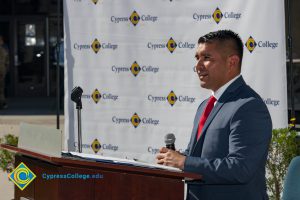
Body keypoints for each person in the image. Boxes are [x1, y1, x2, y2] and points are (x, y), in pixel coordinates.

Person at [156, 30, 272, 200]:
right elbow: (198, 156)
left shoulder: (249, 106)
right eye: (197, 58)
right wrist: (174, 159)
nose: (198, 66)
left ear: (232, 62)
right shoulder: (205, 105)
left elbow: (240, 168)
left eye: (206, 58)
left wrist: (184, 162)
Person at [0, 35, 9, 109]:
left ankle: (3, 103)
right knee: (1, 88)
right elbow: (7, 62)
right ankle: (3, 103)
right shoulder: (4, 50)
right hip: (2, 70)